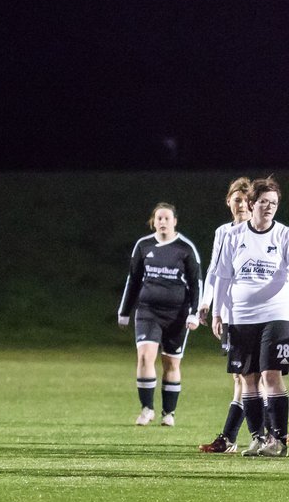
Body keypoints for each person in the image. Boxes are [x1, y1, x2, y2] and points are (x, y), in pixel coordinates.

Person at [211, 177, 289, 457]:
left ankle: (279, 439)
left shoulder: (283, 235)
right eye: (264, 202)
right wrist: (218, 311)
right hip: (242, 316)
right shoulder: (234, 236)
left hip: (276, 314)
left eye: (274, 203)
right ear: (252, 203)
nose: (269, 207)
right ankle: (258, 437)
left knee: (271, 374)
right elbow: (221, 276)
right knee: (248, 377)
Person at [116, 203, 203, 426]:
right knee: (145, 356)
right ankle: (147, 409)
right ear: (153, 222)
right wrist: (124, 310)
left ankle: (168, 413)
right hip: (148, 312)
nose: (163, 222)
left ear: (175, 221)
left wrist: (194, 313)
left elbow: (196, 284)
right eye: (159, 218)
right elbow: (133, 279)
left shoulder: (185, 248)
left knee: (171, 364)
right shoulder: (143, 245)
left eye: (167, 218)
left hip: (177, 315)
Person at [197, 177, 253, 453]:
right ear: (228, 201)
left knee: (253, 375)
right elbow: (215, 270)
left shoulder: (263, 232)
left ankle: (256, 435)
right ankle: (238, 437)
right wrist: (208, 303)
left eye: (246, 200)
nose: (242, 204)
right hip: (230, 313)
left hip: (254, 313)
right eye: (237, 199)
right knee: (241, 376)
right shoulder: (223, 233)